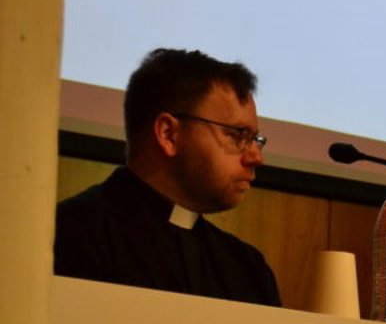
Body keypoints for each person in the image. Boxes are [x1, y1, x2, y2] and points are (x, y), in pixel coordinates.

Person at [55, 48, 281, 306]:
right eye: (238, 135)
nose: (256, 157)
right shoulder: (70, 235)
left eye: (255, 139)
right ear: (168, 134)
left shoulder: (248, 269)